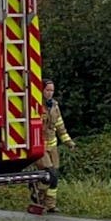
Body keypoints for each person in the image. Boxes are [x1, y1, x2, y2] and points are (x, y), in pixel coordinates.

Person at [32, 77, 77, 213]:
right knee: (49, 173)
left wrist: (69, 142)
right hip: (41, 147)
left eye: (52, 90)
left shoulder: (55, 106)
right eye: (47, 90)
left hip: (53, 146)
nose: (50, 93)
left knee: (55, 176)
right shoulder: (36, 105)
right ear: (42, 90)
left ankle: (50, 204)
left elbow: (60, 127)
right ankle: (38, 195)